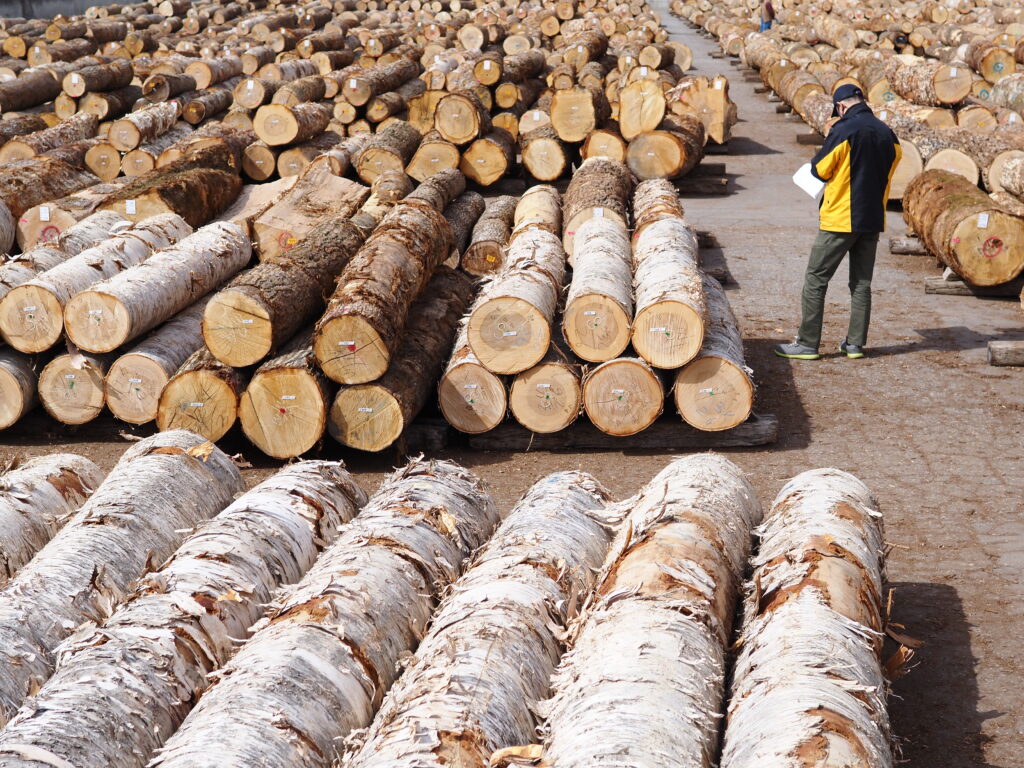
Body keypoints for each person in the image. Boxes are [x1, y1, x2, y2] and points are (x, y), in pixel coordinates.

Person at [775, 84, 902, 360]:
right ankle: (855, 344)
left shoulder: (843, 130)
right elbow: (893, 167)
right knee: (861, 283)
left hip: (840, 218)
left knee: (816, 279)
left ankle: (808, 343)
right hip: (872, 218)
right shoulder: (887, 134)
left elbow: (821, 169)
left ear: (841, 106)